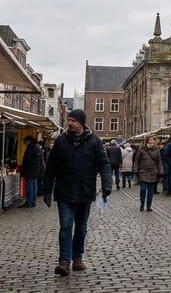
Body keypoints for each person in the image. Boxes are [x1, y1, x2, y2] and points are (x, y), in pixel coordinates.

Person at [41, 108, 112, 277]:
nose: (70, 123)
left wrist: (107, 184)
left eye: (73, 120)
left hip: (85, 190)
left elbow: (104, 164)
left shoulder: (94, 141)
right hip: (64, 190)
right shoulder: (61, 141)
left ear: (81, 123)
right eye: (69, 120)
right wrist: (47, 189)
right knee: (66, 226)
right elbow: (51, 167)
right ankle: (64, 262)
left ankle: (77, 257)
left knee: (81, 228)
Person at [134, 135, 163, 212]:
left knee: (150, 191)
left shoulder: (157, 150)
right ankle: (142, 204)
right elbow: (137, 160)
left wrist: (161, 171)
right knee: (143, 189)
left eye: (153, 139)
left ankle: (149, 206)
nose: (151, 141)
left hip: (153, 172)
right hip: (143, 172)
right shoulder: (141, 149)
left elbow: (159, 161)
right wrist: (136, 170)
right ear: (147, 141)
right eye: (150, 139)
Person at [19, 135, 43, 208]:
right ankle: (33, 201)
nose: (25, 143)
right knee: (34, 185)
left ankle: (29, 202)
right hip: (36, 170)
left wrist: (23, 169)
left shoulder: (31, 147)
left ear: (29, 140)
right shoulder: (38, 146)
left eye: (25, 142)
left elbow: (27, 160)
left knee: (29, 185)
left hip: (30, 170)